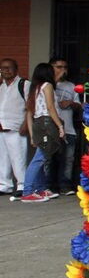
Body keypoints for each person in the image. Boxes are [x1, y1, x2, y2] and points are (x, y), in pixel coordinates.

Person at [22, 63, 66, 202]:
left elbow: (29, 113)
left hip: (37, 123)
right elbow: (50, 107)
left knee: (41, 157)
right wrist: (60, 126)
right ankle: (28, 191)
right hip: (47, 123)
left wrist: (32, 135)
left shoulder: (34, 88)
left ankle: (40, 189)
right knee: (40, 158)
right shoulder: (47, 86)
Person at [50, 57, 80, 195]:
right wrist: (55, 79)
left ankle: (65, 185)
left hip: (68, 128)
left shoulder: (71, 86)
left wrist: (71, 103)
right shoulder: (48, 85)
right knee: (50, 158)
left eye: (65, 67)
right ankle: (49, 186)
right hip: (51, 128)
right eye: (59, 67)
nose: (63, 70)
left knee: (68, 158)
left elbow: (78, 105)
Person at [0, 58, 29, 197]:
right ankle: (4, 185)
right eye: (3, 68)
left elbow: (31, 105)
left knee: (19, 159)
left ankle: (22, 185)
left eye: (9, 67)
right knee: (3, 159)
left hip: (17, 128)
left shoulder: (24, 84)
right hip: (2, 128)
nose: (6, 70)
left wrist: (26, 124)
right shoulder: (1, 87)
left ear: (16, 69)